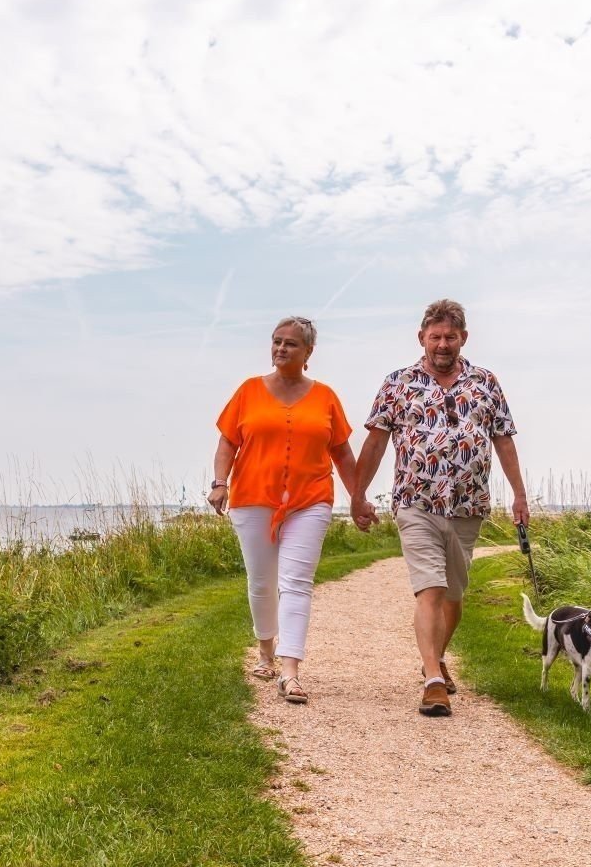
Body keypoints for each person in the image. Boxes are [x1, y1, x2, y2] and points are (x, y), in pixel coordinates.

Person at [352, 299, 529, 716]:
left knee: (454, 595)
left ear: (463, 338)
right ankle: (432, 679)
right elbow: (375, 442)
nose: (443, 344)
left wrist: (519, 495)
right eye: (436, 337)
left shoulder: (485, 382)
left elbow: (503, 439)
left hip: (468, 506)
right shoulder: (398, 383)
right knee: (429, 588)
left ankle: (437, 657)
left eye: (451, 337)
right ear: (422, 338)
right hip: (416, 501)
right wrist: (358, 495)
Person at [209, 316, 360, 705]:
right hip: (253, 497)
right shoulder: (248, 391)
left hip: (310, 500)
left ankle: (289, 671)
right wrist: (220, 483)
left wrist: (358, 497)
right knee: (262, 581)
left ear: (308, 352)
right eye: (276, 341)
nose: (280, 348)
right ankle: (265, 651)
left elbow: (342, 453)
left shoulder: (326, 397)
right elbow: (228, 443)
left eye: (290, 344)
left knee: (296, 582)